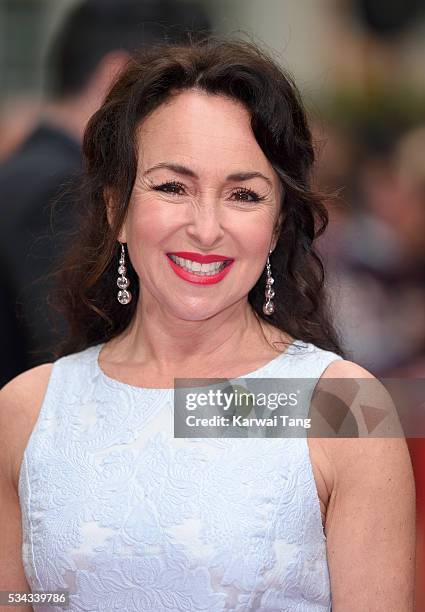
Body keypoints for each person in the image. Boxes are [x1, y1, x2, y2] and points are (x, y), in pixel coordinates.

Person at [0, 37, 415, 611]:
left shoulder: (343, 406)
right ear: (116, 209)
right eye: (173, 187)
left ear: (275, 227)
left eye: (242, 194)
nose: (206, 227)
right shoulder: (28, 411)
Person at [0, 0, 211, 385]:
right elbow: (83, 363)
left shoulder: (27, 174)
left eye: (244, 194)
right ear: (119, 78)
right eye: (179, 92)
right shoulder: (63, 190)